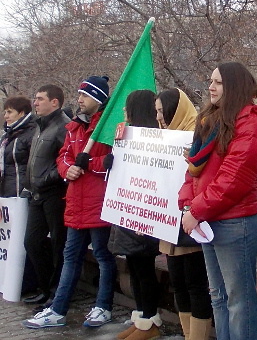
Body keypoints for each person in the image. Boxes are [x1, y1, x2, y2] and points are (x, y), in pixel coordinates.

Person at [179, 62, 257, 340]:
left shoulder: (252, 124)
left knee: (239, 301)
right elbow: (194, 168)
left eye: (218, 82)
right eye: (210, 81)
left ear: (235, 86)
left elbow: (235, 179)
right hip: (210, 219)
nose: (210, 87)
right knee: (219, 297)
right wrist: (187, 202)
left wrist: (195, 210)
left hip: (237, 223)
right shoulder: (212, 120)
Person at [22, 75, 116, 329]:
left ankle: (103, 306)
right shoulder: (74, 127)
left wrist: (90, 165)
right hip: (76, 202)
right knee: (70, 256)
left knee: (103, 256)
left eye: (85, 95)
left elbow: (113, 162)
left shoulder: (108, 126)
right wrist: (68, 170)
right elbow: (64, 156)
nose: (79, 99)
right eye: (79, 95)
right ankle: (58, 308)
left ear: (98, 99)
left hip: (98, 204)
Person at [155, 88, 212, 340]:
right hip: (169, 220)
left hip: (190, 218)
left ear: (174, 110)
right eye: (156, 112)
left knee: (195, 283)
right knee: (177, 282)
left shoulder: (197, 134)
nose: (158, 117)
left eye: (161, 111)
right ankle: (188, 334)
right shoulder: (165, 137)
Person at [111, 90, 162, 340]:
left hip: (145, 215)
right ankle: (141, 316)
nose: (123, 112)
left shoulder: (158, 140)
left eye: (127, 107)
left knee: (144, 269)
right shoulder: (126, 136)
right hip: (128, 212)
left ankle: (150, 321)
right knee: (133, 266)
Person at [22, 85, 71, 308]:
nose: (35, 102)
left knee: (58, 244)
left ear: (55, 102)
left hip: (54, 194)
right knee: (32, 242)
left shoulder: (62, 126)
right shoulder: (40, 126)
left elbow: (66, 161)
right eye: (35, 98)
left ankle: (55, 292)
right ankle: (44, 288)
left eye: (40, 99)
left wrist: (46, 177)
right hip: (36, 194)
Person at [0, 96, 38, 295]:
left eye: (10, 112)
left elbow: (30, 164)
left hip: (20, 193)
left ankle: (25, 283)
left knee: (23, 239)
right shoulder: (8, 135)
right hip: (7, 193)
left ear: (22, 113)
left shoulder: (29, 134)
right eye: (5, 111)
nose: (5, 116)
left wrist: (25, 189)